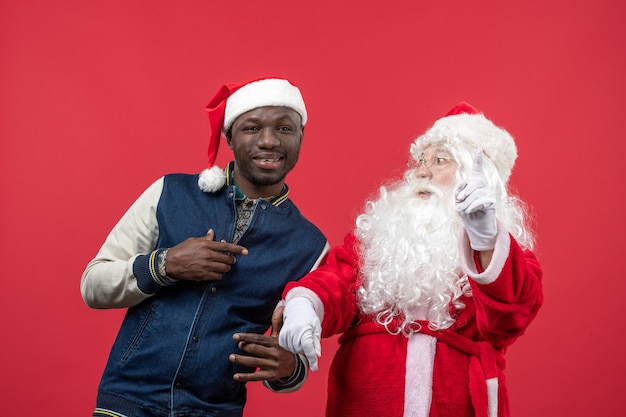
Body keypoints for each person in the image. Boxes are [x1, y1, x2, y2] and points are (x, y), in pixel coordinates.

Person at [81, 77, 329, 417]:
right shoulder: (170, 193)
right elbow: (93, 286)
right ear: (229, 136)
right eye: (252, 128)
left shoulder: (310, 246)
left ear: (301, 137)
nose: (269, 140)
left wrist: (289, 368)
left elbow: (294, 352)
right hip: (128, 402)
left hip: (215, 411)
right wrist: (165, 265)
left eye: (285, 128)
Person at [277, 102, 543, 417]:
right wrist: (304, 306)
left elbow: (509, 321)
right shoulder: (377, 238)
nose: (421, 171)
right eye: (419, 161)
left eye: (440, 160)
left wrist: (486, 241)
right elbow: (334, 280)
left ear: (479, 176)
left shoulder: (506, 256)